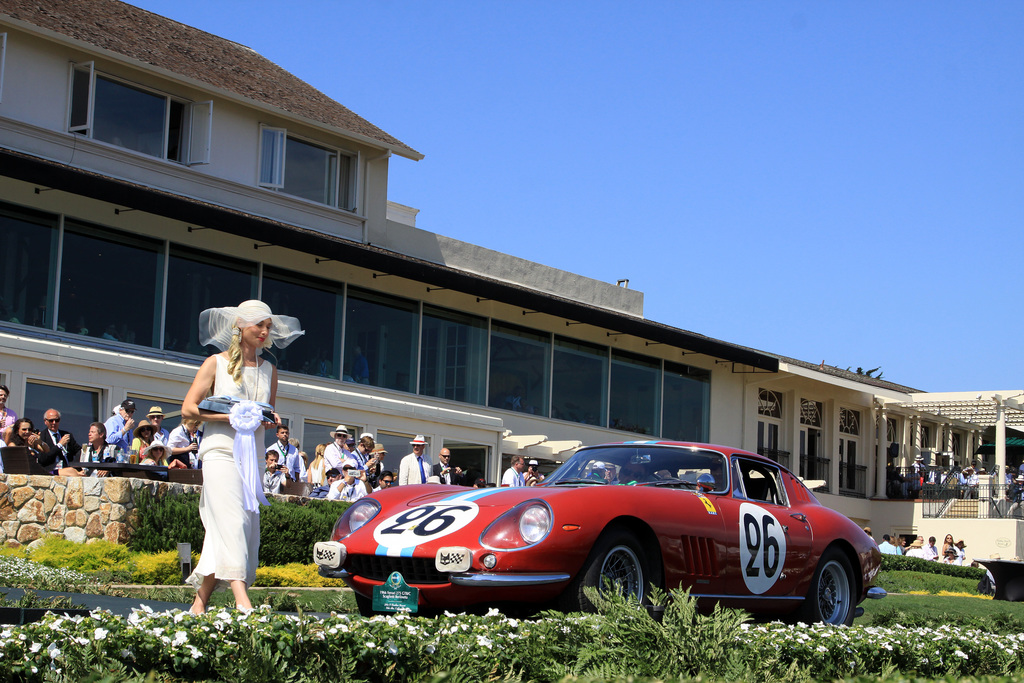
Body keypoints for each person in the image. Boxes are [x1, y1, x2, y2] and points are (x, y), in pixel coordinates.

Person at [181, 299, 303, 615]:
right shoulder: (215, 363)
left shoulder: (269, 371)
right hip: (219, 453)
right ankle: (242, 600)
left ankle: (199, 604)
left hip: (253, 460)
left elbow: (268, 411)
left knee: (243, 527)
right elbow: (189, 408)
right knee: (231, 521)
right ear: (240, 325)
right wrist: (229, 417)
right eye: (258, 325)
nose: (264, 331)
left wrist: (267, 419)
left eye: (268, 326)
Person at [37, 408, 83, 476]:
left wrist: (76, 466)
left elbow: (79, 451)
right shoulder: (42, 436)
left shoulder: (66, 435)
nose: (54, 423)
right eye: (51, 421)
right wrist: (59, 445)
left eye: (57, 420)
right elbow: (43, 459)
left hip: (67, 469)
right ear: (45, 421)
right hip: (50, 470)